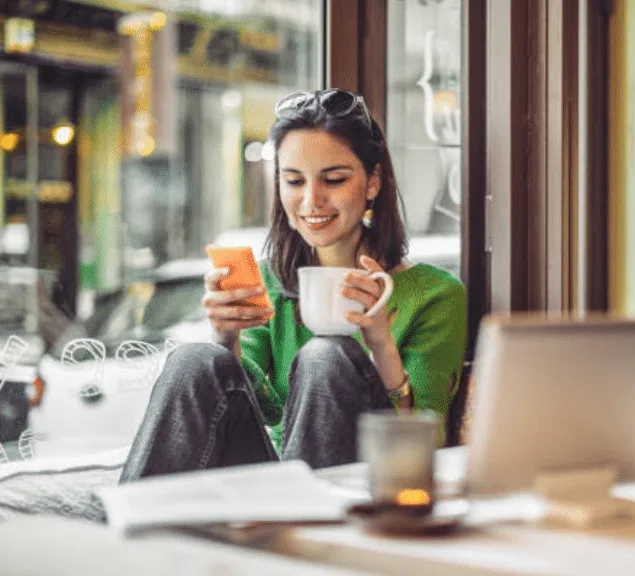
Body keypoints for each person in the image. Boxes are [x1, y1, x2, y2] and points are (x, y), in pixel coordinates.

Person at [119, 89, 467, 481]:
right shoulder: (270, 281)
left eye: (333, 179)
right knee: (195, 358)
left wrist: (381, 346)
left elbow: (424, 445)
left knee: (326, 355)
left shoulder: (435, 295)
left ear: (372, 182)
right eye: (294, 181)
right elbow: (263, 408)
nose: (311, 200)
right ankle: (130, 517)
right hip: (277, 480)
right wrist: (226, 338)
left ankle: (307, 516)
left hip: (364, 482)